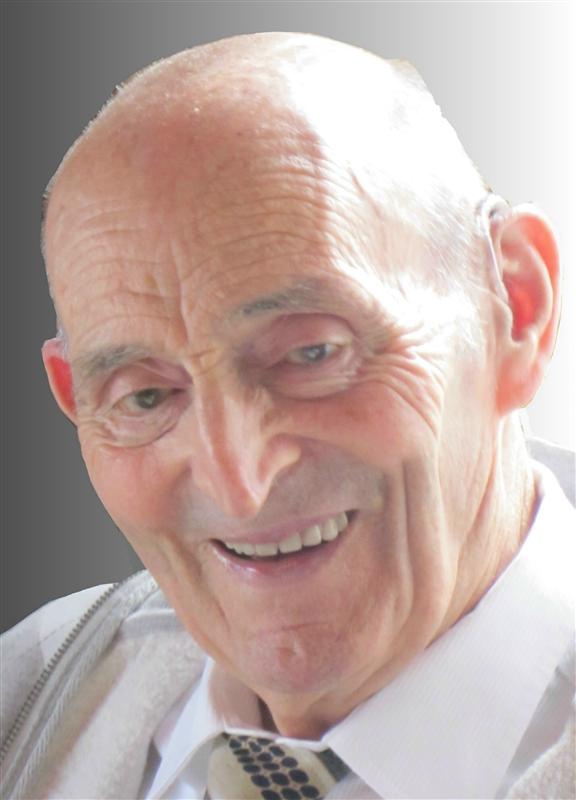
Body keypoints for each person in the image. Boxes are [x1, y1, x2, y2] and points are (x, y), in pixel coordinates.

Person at [1, 32, 574, 800]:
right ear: (75, 397)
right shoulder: (30, 695)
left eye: (310, 353)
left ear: (517, 307)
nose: (238, 485)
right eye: (146, 396)